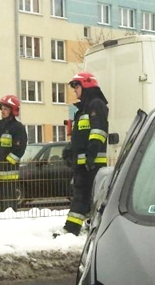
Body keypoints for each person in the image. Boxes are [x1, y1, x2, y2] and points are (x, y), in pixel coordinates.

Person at [62, 71, 109, 235]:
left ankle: (71, 230)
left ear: (86, 85)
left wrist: (91, 156)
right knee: (86, 197)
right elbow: (79, 137)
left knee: (82, 197)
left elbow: (98, 132)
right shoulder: (82, 110)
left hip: (92, 164)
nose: (75, 90)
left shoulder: (96, 105)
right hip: (83, 164)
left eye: (77, 86)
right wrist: (69, 152)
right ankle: (90, 227)